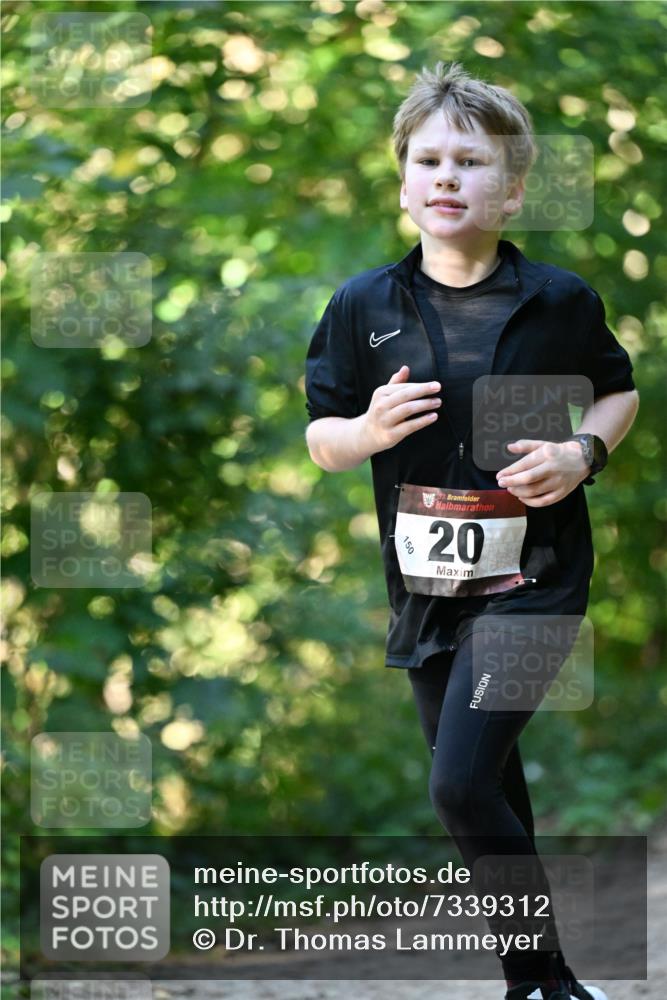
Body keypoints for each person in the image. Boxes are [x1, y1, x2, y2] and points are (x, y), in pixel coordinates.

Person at [304, 60, 639, 1000]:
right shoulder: (363, 307)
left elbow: (617, 392)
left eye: (471, 160)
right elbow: (321, 436)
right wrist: (364, 433)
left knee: (457, 786)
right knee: (493, 788)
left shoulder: (559, 301)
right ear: (404, 181)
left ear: (514, 185)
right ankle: (544, 985)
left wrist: (580, 455)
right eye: (428, 159)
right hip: (425, 590)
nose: (447, 176)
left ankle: (548, 988)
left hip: (538, 580)